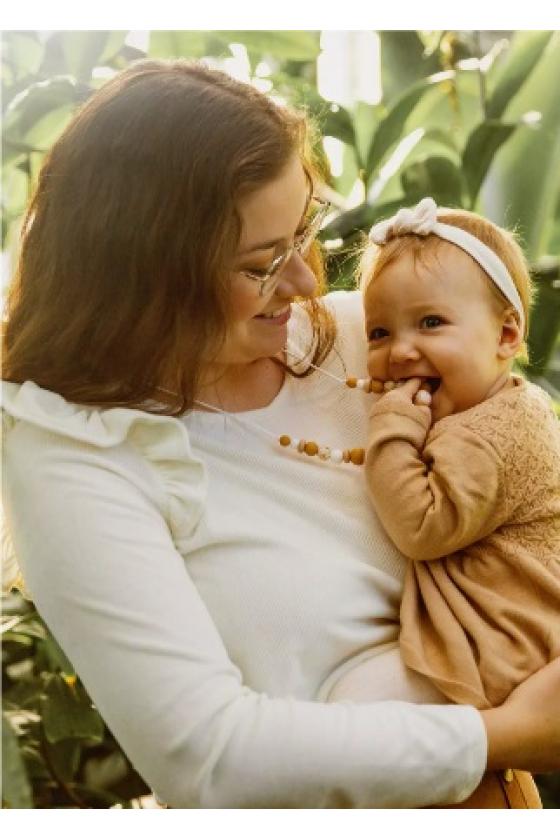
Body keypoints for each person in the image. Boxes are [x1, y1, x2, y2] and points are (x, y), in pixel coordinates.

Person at [2, 59, 560, 810]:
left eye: (305, 229)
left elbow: (533, 471)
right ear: (149, 275)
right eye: (262, 265)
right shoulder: (79, 457)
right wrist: (505, 734)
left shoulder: (378, 340)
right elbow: (206, 757)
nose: (304, 283)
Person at [328, 198, 560, 714]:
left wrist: (390, 429)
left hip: (508, 643)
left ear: (506, 334)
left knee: (356, 705)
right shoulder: (488, 406)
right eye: (380, 332)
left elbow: (423, 527)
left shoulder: (495, 430)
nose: (402, 351)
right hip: (497, 632)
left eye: (431, 322)